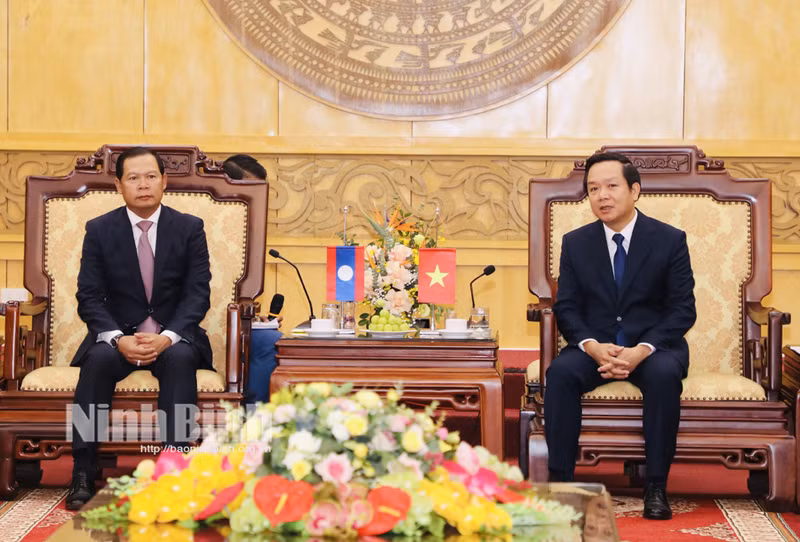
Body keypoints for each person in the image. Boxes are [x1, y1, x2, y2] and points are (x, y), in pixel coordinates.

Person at [545, 152, 696, 520]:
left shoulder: (669, 240)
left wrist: (641, 350)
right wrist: (593, 347)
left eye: (611, 186)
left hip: (652, 346)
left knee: (663, 376)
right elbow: (567, 307)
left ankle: (656, 487)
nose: (602, 196)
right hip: (597, 345)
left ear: (635, 190)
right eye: (593, 189)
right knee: (560, 373)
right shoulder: (576, 243)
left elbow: (682, 310)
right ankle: (562, 487)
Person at [66, 147, 212, 510]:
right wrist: (118, 338)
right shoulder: (100, 230)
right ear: (118, 185)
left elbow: (197, 294)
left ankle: (174, 468)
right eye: (133, 178)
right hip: (119, 336)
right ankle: (83, 468)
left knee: (180, 359)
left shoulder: (189, 228)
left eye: (150, 177)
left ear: (164, 181)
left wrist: (167, 337)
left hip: (172, 337)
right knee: (98, 360)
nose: (143, 185)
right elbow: (89, 296)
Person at [222, 154, 280, 405]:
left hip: (235, 320)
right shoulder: (200, 225)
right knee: (269, 342)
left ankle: (259, 417)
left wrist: (254, 319)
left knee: (272, 337)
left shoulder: (248, 232)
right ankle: (252, 416)